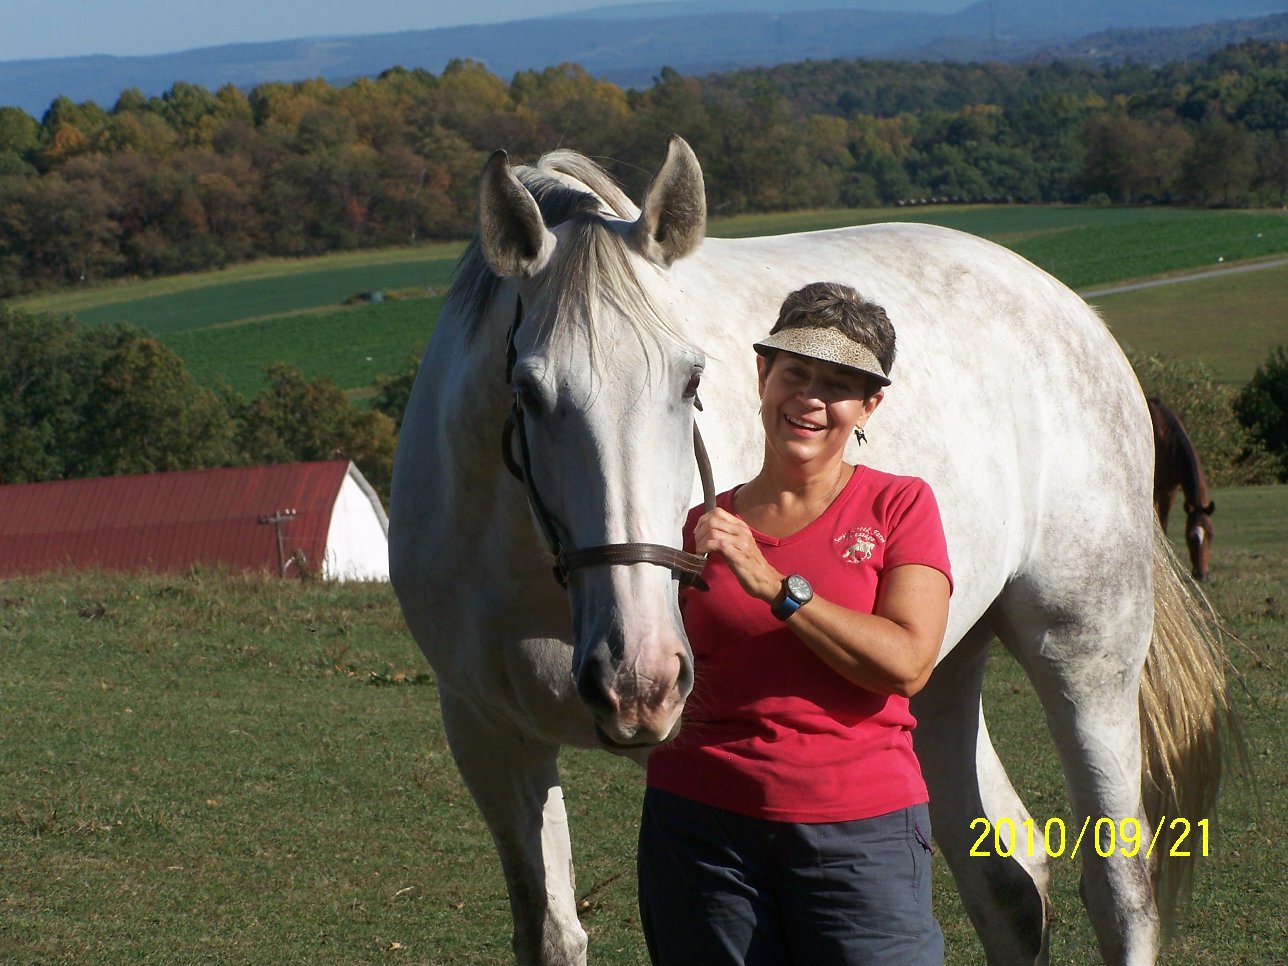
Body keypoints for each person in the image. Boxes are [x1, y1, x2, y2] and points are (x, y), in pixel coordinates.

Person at [638, 281, 952, 966]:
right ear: (762, 376)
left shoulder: (899, 506)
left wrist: (778, 589)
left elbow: (908, 662)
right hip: (700, 832)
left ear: (871, 405)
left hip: (859, 835)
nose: (810, 398)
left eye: (839, 385)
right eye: (796, 374)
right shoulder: (698, 526)